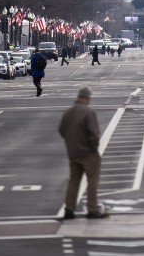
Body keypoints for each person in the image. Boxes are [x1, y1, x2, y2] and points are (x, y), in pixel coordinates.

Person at [59, 86, 108, 219]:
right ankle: (92, 209)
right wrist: (94, 148)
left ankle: (69, 209)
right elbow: (94, 133)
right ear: (87, 98)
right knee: (92, 180)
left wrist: (71, 143)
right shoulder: (88, 112)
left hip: (73, 152)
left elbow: (62, 130)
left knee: (73, 181)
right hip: (88, 152)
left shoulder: (68, 112)